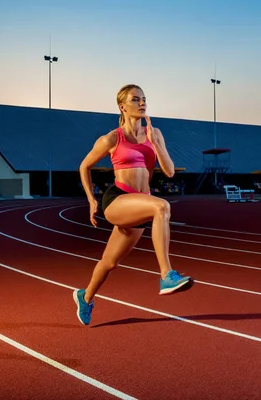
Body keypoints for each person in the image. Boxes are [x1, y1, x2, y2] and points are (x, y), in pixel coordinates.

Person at [73, 84, 193, 326]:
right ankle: (166, 275)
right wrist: (91, 199)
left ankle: (84, 297)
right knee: (161, 207)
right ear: (122, 106)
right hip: (118, 199)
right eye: (135, 99)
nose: (142, 103)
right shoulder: (111, 138)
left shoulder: (155, 133)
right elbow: (84, 166)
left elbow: (169, 172)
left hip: (140, 203)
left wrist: (153, 142)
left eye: (144, 99)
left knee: (110, 262)